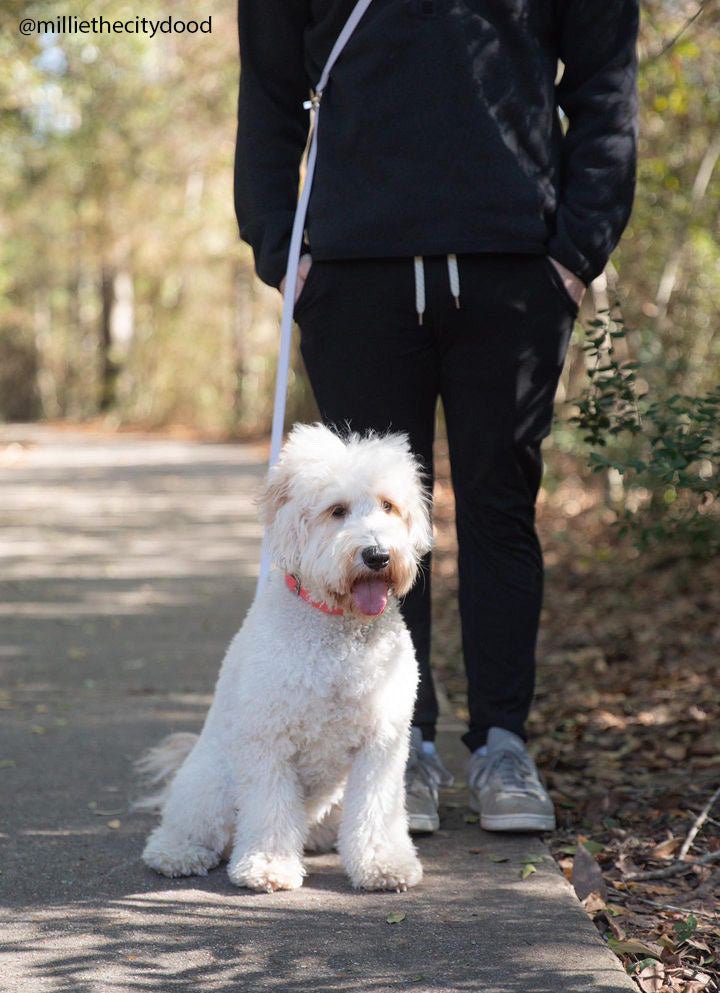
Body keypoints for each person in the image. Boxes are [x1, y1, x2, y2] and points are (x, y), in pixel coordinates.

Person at [234, 0, 639, 834]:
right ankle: (399, 750)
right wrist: (283, 250)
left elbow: (604, 84)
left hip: (515, 270)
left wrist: (575, 252)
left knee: (498, 507)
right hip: (355, 275)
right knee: (370, 531)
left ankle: (501, 743)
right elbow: (271, 91)